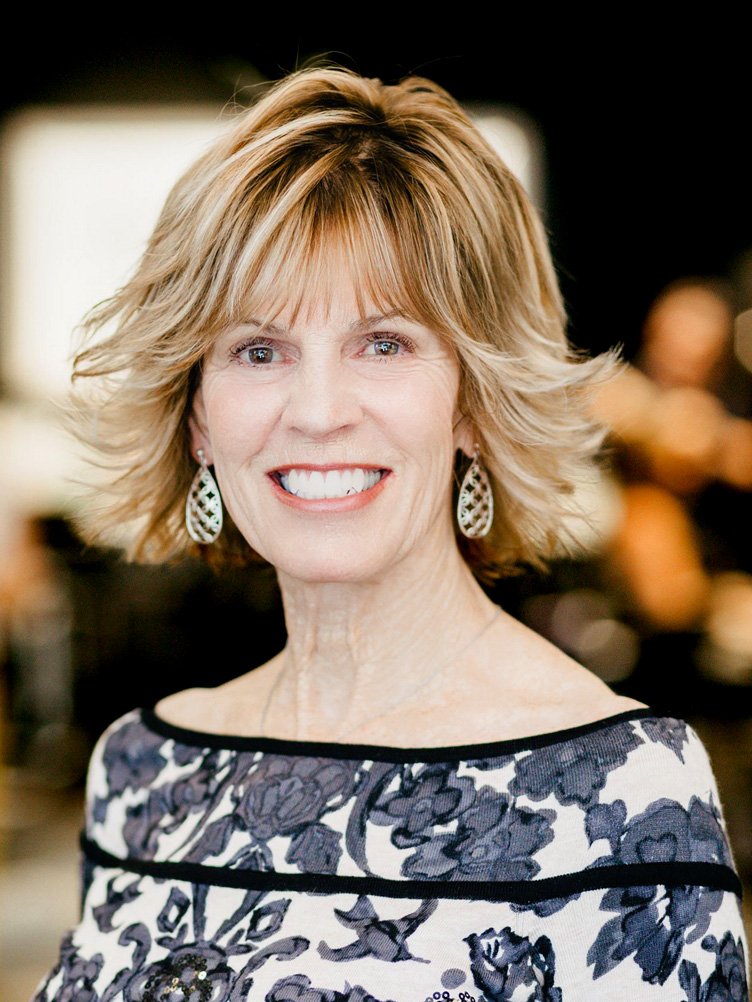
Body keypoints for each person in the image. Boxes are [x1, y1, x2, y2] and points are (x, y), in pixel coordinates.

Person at [34, 66, 747, 1001]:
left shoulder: (627, 790)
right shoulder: (142, 768)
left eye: (384, 344)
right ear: (198, 415)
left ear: (473, 400)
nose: (318, 410)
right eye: (259, 350)